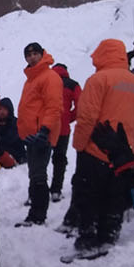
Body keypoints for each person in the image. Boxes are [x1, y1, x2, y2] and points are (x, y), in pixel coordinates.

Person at [70, 38, 134, 257]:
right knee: (114, 197)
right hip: (123, 154)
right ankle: (109, 235)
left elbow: (87, 117)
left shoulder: (98, 80)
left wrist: (80, 145)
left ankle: (87, 238)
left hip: (96, 149)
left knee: (89, 194)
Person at [14, 42, 62, 227]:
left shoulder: (49, 77)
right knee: (35, 174)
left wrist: (45, 130)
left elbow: (54, 106)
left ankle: (38, 215)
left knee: (39, 176)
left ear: (42, 55)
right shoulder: (32, 79)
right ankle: (35, 212)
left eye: (35, 53)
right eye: (28, 54)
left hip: (41, 135)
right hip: (31, 136)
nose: (31, 57)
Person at [49, 63, 79, 202]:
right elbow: (81, 105)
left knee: (40, 161)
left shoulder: (47, 81)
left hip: (46, 125)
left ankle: (37, 192)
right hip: (63, 128)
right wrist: (68, 118)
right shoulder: (73, 84)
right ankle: (56, 190)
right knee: (60, 159)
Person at [0, 94, 24, 169]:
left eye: (5, 109)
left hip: (14, 156)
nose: (2, 112)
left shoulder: (16, 124)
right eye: (0, 109)